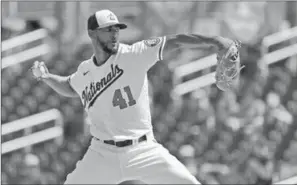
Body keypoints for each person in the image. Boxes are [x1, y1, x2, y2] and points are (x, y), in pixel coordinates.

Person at [31, 9, 238, 184]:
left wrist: (214, 41)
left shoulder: (134, 53)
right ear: (92, 33)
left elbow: (175, 41)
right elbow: (69, 86)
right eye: (108, 30)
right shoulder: (85, 71)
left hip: (143, 150)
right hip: (102, 154)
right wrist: (47, 77)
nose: (114, 34)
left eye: (116, 29)